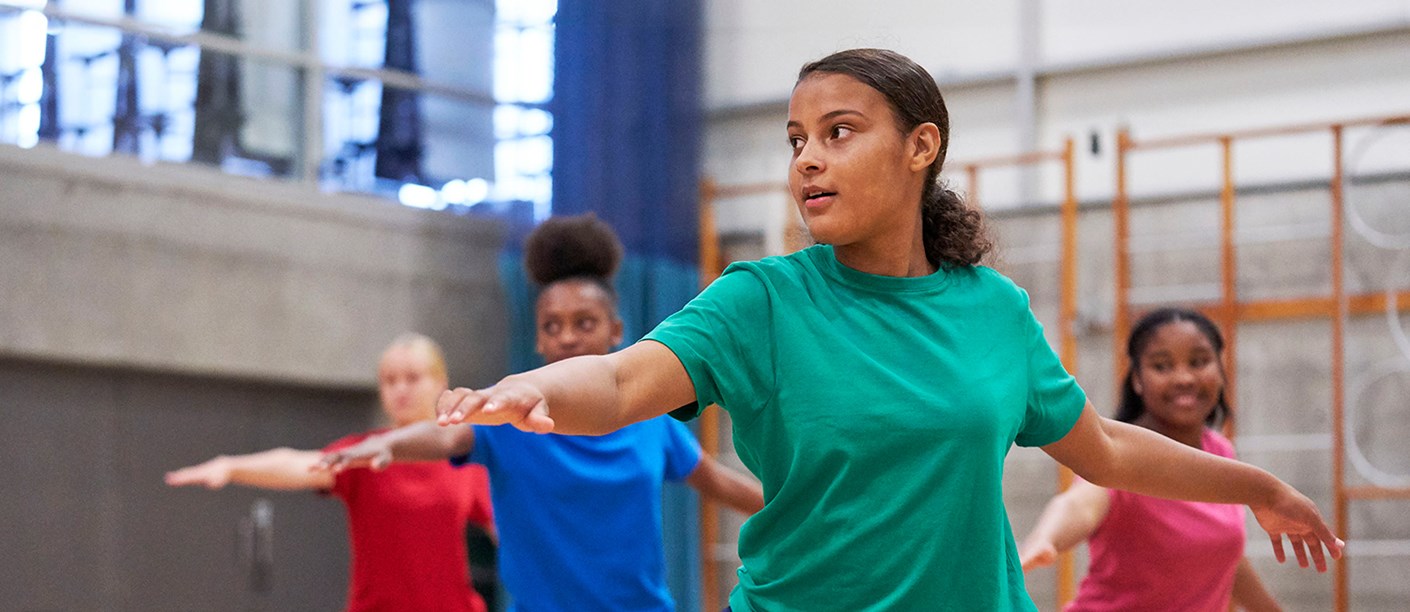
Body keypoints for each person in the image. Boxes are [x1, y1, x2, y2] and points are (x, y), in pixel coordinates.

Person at [427, 48, 1342, 611]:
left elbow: (1104, 449)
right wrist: (536, 387)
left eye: (838, 131)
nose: (807, 159)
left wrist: (1255, 483)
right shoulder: (763, 301)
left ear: (920, 146)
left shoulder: (993, 309)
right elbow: (625, 382)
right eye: (795, 140)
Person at [318, 214, 765, 612]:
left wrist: (801, 509)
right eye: (553, 326)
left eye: (584, 323)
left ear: (615, 330)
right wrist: (386, 442)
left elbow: (720, 484)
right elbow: (445, 438)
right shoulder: (508, 419)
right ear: (537, 340)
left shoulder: (650, 421)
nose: (567, 337)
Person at [165, 334, 494, 612]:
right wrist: (232, 466)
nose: (400, 390)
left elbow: (509, 528)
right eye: (390, 381)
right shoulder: (363, 454)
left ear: (441, 383)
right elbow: (297, 463)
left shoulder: (464, 455)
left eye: (412, 378)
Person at [1019, 308, 1280, 611]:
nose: (1184, 378)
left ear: (1220, 371)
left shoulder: (1220, 451)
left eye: (1198, 362)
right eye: (1162, 366)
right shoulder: (1120, 453)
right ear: (1138, 380)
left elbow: (1221, 559)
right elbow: (1080, 503)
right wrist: (1044, 539)